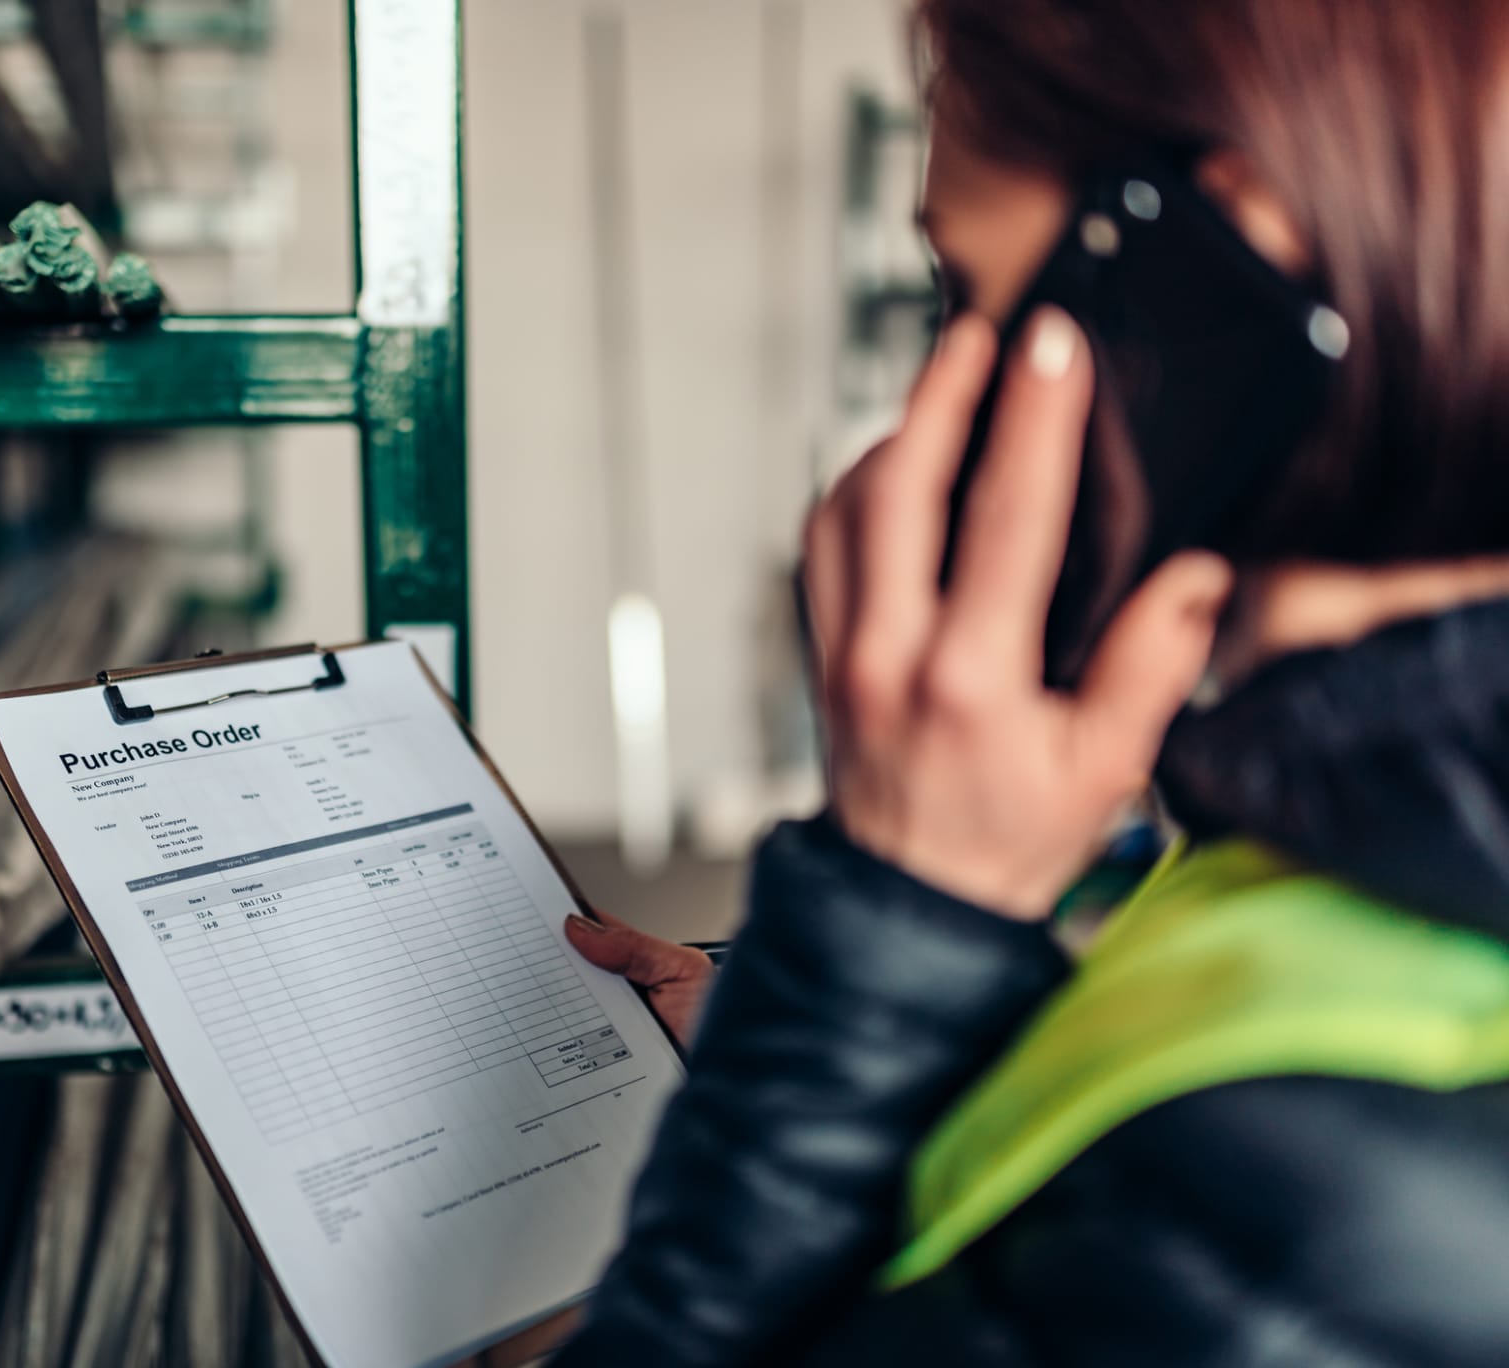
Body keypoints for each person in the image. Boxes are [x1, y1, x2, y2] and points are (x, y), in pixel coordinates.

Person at [550, 1, 1509, 1363]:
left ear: (1226, 265)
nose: (943, 399)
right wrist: (881, 1032)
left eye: (974, 300)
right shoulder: (1367, 817)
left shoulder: (1295, 1235)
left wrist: (885, 929)